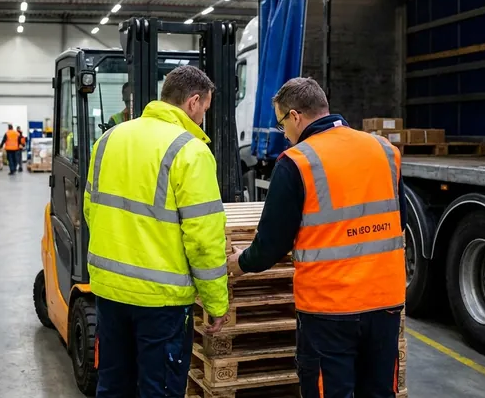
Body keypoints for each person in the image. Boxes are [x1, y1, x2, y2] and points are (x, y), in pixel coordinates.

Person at [227, 77, 407, 398]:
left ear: (295, 116)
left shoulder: (297, 162)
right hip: (385, 302)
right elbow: (399, 221)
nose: (285, 134)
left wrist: (239, 263)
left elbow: (272, 244)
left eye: (283, 124)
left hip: (330, 309)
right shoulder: (384, 151)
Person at [84, 65, 229, 397]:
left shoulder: (109, 139)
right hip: (160, 304)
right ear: (193, 102)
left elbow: (91, 209)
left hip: (109, 292)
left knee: (113, 384)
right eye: (205, 109)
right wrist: (216, 304)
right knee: (158, 389)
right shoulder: (190, 151)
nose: (204, 118)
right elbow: (204, 241)